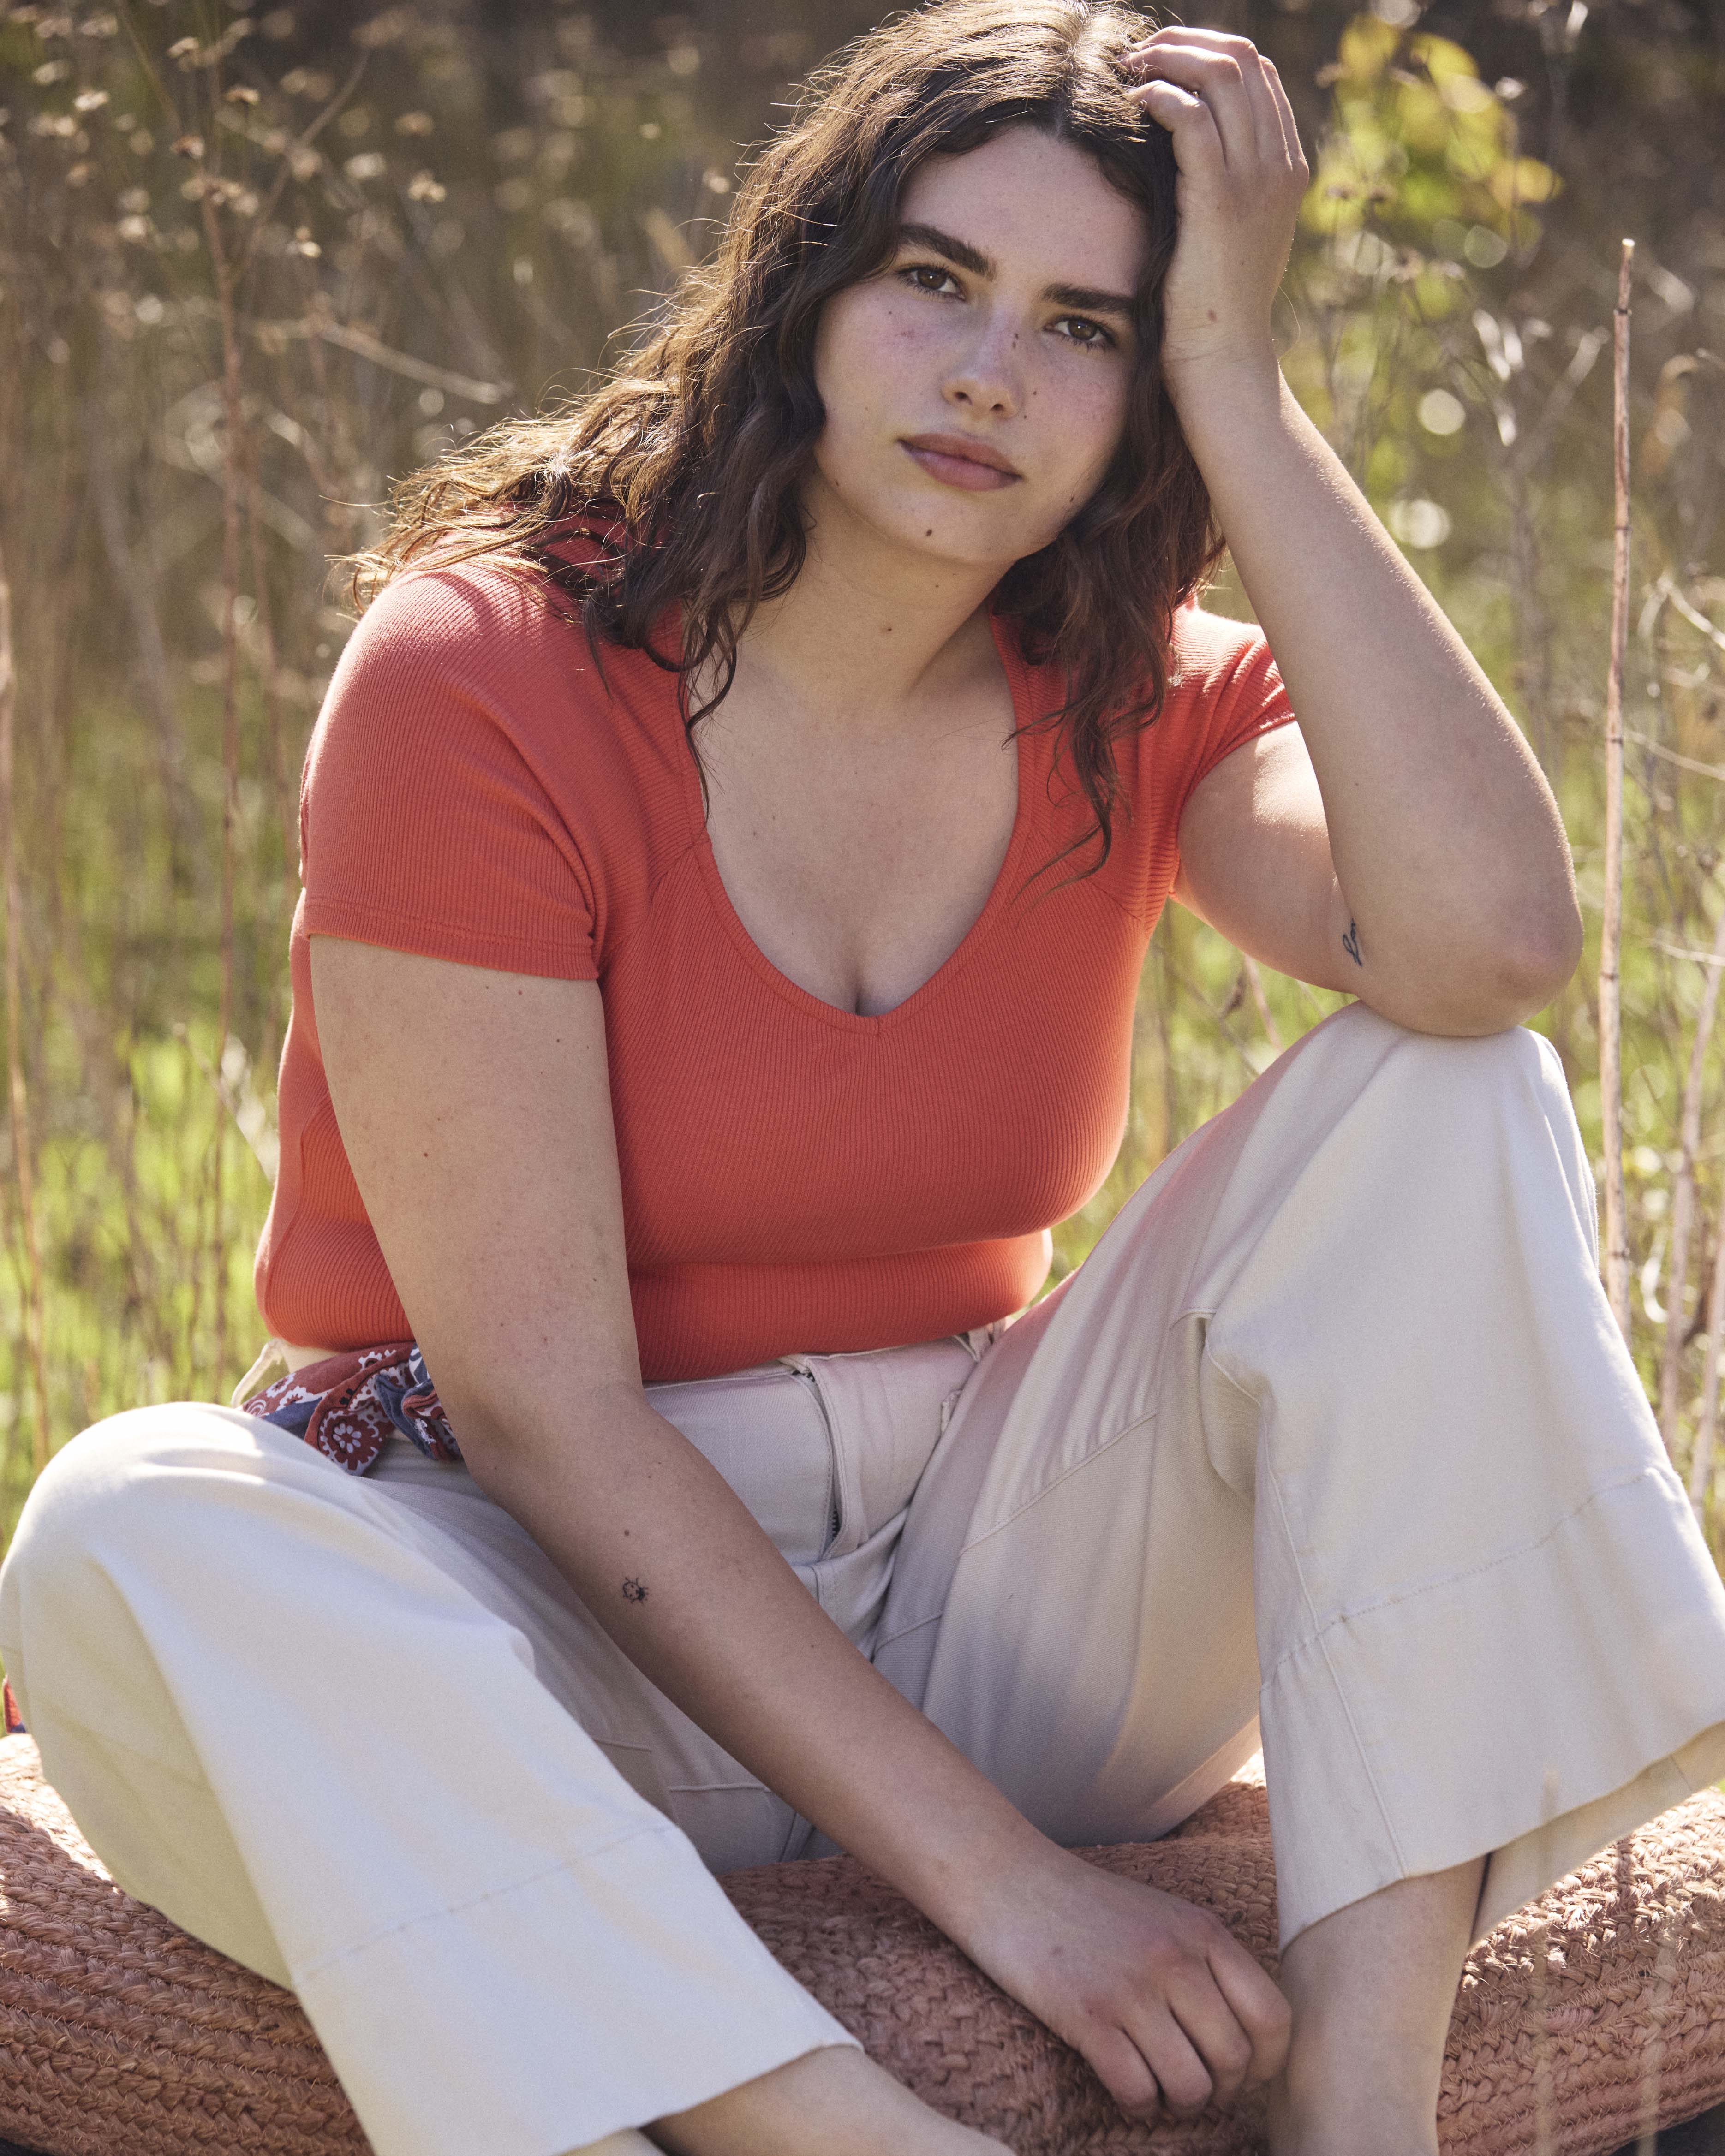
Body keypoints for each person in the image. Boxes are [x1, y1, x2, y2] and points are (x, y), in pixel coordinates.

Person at [5, 4, 1724, 2153]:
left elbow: (1488, 952)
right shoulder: (484, 679)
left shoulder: (1140, 695)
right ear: (806, 295)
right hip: (547, 1610)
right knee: (120, 1518)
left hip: (988, 1587)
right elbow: (541, 1403)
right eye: (934, 281)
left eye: (1086, 323)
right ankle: (821, 2128)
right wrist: (1013, 1897)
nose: (991, 372)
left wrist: (1246, 392)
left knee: (1452, 1096)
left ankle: (1360, 2104)